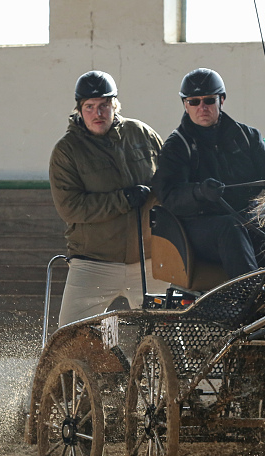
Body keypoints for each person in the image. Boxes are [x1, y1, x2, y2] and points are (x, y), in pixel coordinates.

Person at [50, 70, 167, 326]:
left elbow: (168, 180)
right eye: (89, 106)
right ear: (79, 110)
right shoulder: (66, 151)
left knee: (168, 335)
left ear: (114, 104)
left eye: (104, 105)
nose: (98, 113)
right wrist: (124, 199)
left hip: (148, 260)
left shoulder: (142, 134)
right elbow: (71, 208)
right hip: (93, 263)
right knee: (70, 338)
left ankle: (161, 367)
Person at [154, 68, 265, 279]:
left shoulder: (247, 136)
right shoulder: (177, 146)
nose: (202, 107)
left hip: (246, 218)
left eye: (209, 100)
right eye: (194, 102)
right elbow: (169, 196)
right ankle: (249, 295)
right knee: (231, 227)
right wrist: (198, 192)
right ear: (185, 104)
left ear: (222, 100)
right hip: (198, 228)